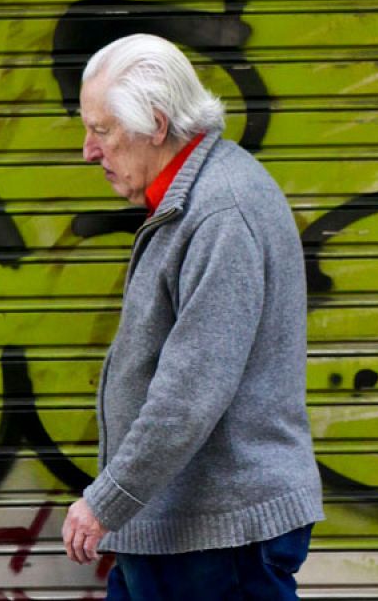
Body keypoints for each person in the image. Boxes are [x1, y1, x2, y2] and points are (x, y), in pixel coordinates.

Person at [61, 34, 324, 600]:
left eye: (102, 130)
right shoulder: (195, 200)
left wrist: (106, 501)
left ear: (155, 124)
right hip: (177, 530)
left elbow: (190, 391)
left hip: (215, 541)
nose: (87, 150)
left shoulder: (220, 212)